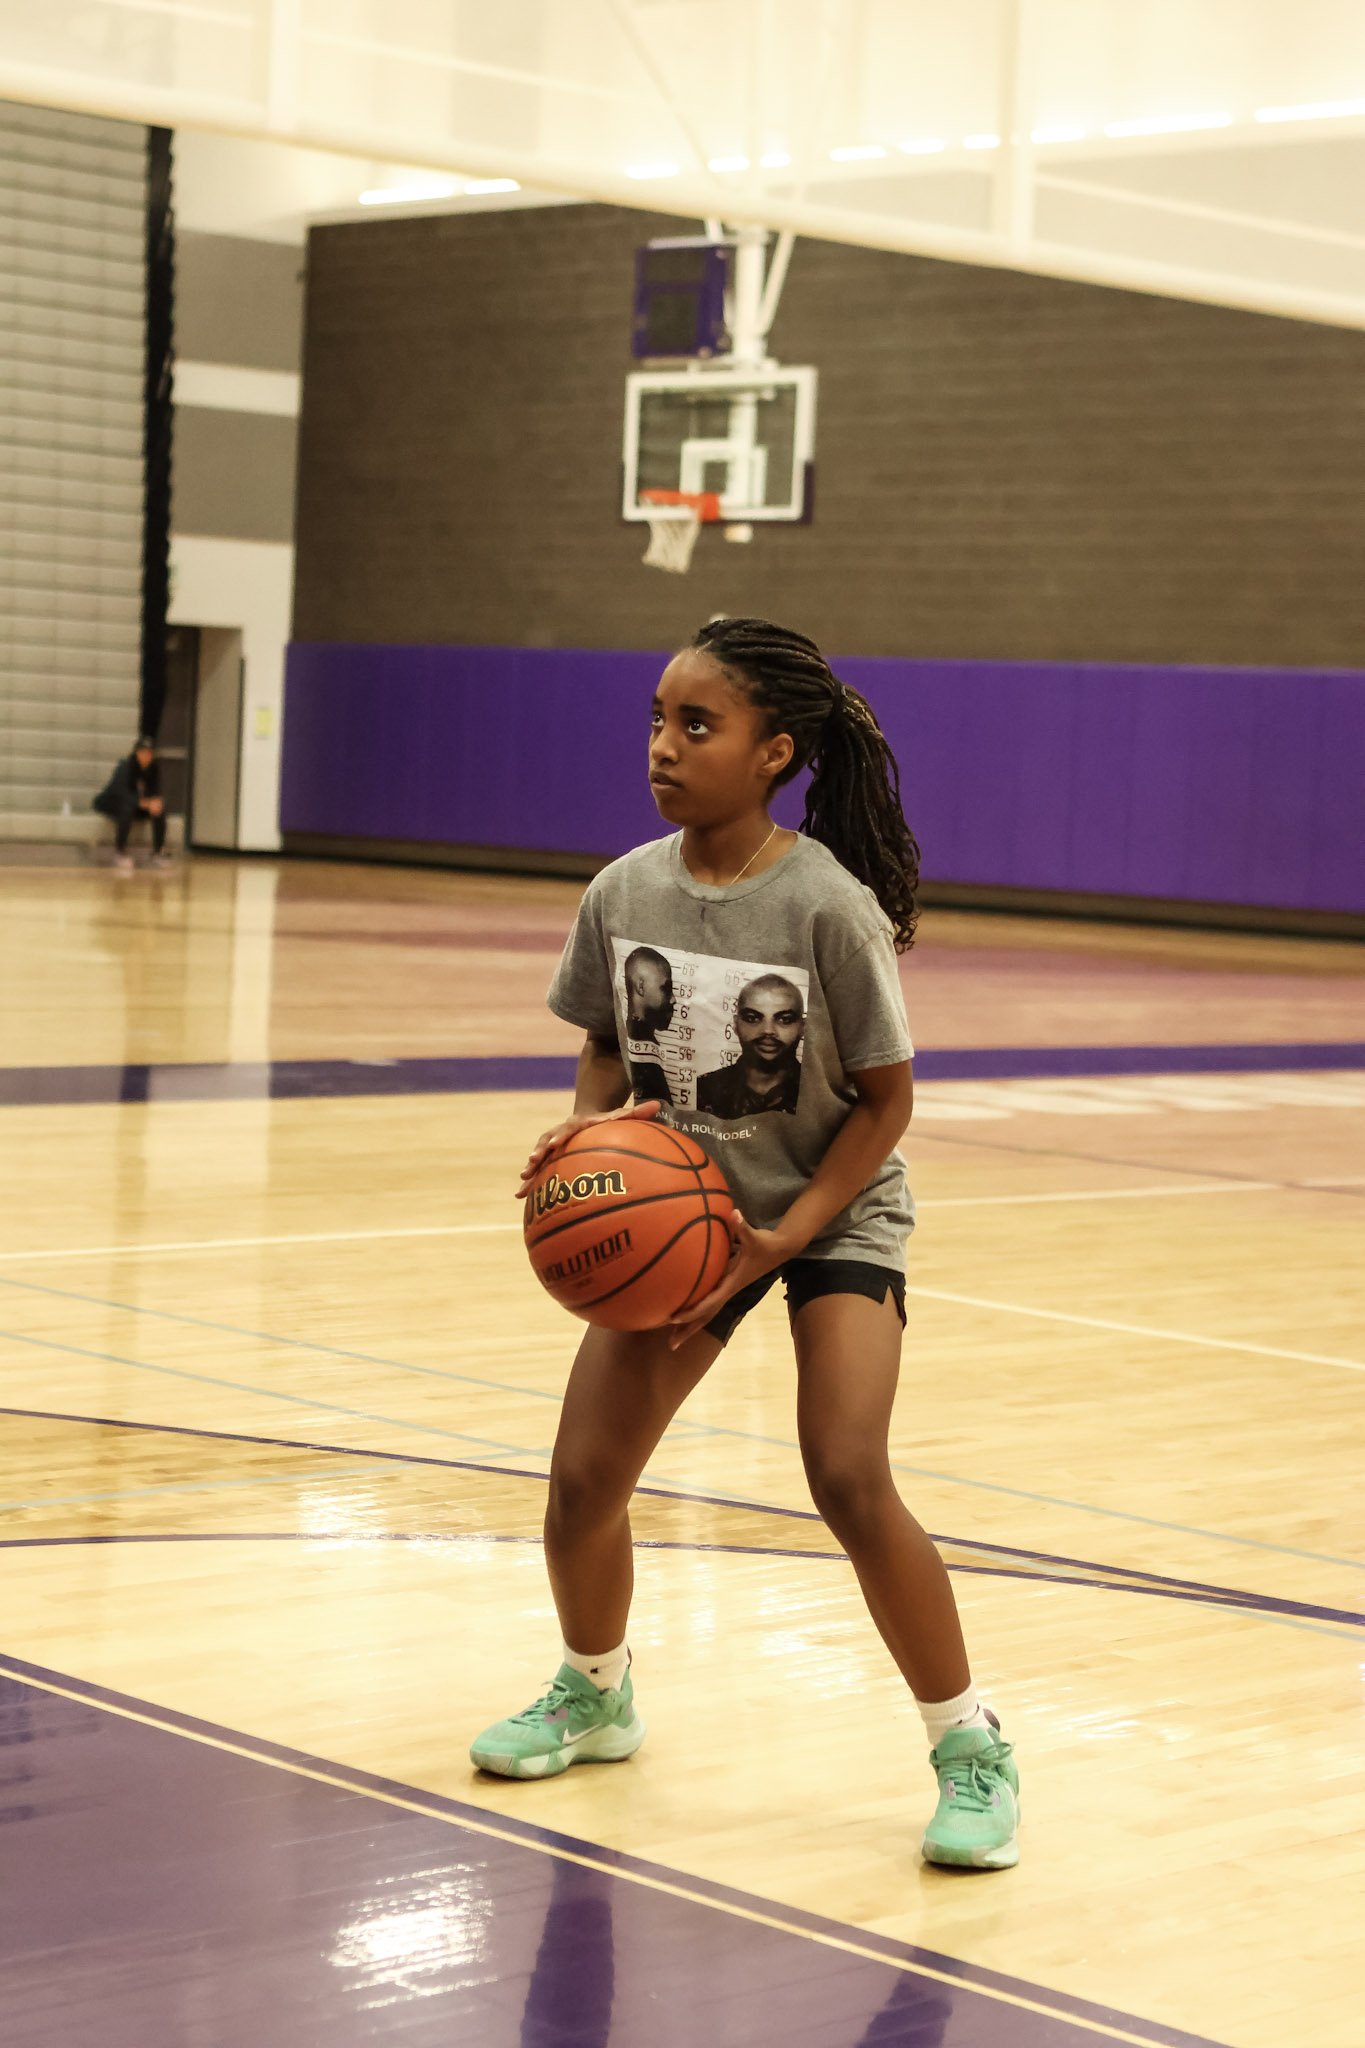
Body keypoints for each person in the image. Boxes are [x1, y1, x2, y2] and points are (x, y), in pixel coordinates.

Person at [470, 617, 1019, 1872]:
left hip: (830, 1205)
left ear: (774, 751)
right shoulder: (624, 889)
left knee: (845, 1470)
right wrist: (584, 1145)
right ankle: (596, 1690)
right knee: (579, 1488)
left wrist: (782, 1237)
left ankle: (971, 1742)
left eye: (696, 725)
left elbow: (885, 1101)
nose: (664, 746)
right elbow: (607, 1047)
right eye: (656, 720)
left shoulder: (828, 904)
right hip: (689, 1211)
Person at [696, 971, 805, 1117]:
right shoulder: (705, 1089)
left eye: (784, 1019)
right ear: (736, 1024)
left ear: (803, 1027)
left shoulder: (818, 1094)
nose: (768, 1030)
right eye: (753, 1018)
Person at [92, 738, 169, 874]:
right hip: (112, 802)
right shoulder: (126, 767)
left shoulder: (154, 769)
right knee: (127, 808)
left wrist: (156, 802)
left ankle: (157, 852)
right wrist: (144, 803)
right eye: (143, 753)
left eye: (149, 753)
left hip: (138, 804)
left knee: (159, 810)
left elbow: (155, 791)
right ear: (136, 753)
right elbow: (121, 792)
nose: (147, 756)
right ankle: (120, 851)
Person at [622, 944, 674, 1104]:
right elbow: (599, 1044)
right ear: (641, 987)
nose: (673, 999)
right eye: (666, 989)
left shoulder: (647, 1042)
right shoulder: (642, 1044)